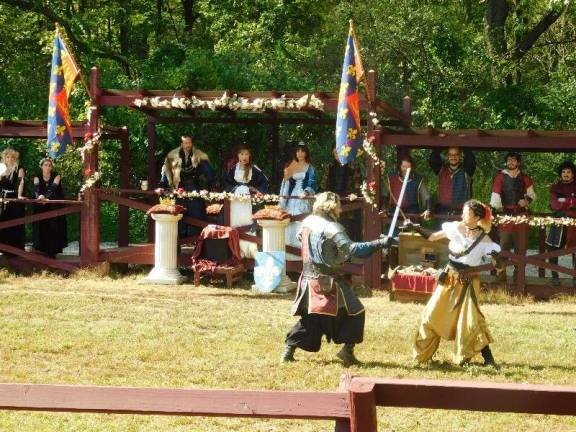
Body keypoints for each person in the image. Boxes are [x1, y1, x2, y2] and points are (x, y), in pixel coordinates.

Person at [281, 192, 395, 365]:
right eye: (339, 206)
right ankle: (346, 351)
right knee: (356, 310)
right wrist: (379, 243)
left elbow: (303, 240)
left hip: (308, 279)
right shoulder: (331, 228)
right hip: (328, 280)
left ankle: (288, 351)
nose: (341, 209)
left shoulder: (307, 222)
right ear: (331, 206)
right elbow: (352, 249)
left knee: (312, 318)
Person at [409, 199, 500, 367]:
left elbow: (497, 266)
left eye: (466, 213)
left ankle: (489, 359)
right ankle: (422, 356)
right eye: (464, 212)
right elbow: (433, 237)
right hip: (449, 278)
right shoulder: (455, 227)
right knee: (430, 314)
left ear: (476, 217)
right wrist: (416, 228)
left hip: (468, 283)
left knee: (470, 320)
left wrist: (498, 261)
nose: (462, 215)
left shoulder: (485, 240)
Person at [490, 152, 535, 281]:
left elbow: (531, 195)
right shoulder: (500, 177)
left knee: (520, 246)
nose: (510, 162)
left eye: (513, 160)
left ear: (518, 162)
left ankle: (518, 274)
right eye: (508, 160)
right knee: (503, 245)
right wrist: (496, 207)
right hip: (506, 215)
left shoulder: (525, 178)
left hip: (522, 215)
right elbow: (495, 196)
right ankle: (501, 273)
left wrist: (527, 201)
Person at [157, 135, 215, 237]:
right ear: (181, 144)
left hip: (193, 187)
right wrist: (162, 185)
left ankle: (196, 240)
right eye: (186, 143)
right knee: (177, 210)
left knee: (197, 210)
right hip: (179, 187)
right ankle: (177, 240)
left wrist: (206, 188)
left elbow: (210, 172)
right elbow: (166, 171)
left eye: (190, 143)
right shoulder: (173, 156)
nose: (188, 145)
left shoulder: (198, 155)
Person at [279, 143, 317, 258]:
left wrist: (306, 192)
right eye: (298, 151)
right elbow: (286, 183)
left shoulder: (310, 167)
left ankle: (302, 255)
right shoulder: (292, 165)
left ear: (306, 153)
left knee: (302, 221)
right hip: (292, 198)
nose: (300, 154)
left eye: (302, 151)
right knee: (290, 221)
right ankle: (289, 256)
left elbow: (312, 181)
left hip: (304, 198)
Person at [546, 161, 576, 285]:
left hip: (574, 222)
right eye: (563, 172)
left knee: (575, 250)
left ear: (573, 174)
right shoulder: (555, 187)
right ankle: (555, 277)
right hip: (558, 221)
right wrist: (571, 202)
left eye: (568, 172)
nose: (566, 174)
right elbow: (554, 204)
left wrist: (565, 201)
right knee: (552, 249)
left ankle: (575, 278)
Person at [31, 158, 68, 258]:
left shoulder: (56, 175)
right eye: (45, 165)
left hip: (54, 205)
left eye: (49, 165)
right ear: (41, 166)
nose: (47, 167)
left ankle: (52, 251)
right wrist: (39, 196)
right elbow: (36, 189)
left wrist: (46, 197)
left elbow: (53, 188)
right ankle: (41, 250)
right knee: (41, 225)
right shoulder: (37, 176)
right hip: (41, 204)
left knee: (54, 226)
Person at [429, 147, 476, 216]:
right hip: (443, 213)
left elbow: (470, 158)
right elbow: (433, 158)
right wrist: (442, 140)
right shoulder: (441, 169)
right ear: (448, 156)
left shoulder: (467, 170)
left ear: (460, 156)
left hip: (461, 213)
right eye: (451, 154)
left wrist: (462, 140)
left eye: (456, 154)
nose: (453, 157)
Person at [384, 154, 431, 219]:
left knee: (412, 229)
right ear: (400, 166)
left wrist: (427, 209)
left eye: (408, 167)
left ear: (412, 167)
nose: (406, 169)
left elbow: (426, 197)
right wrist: (384, 208)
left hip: (413, 215)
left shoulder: (418, 179)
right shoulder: (391, 178)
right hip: (394, 215)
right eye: (404, 166)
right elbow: (385, 196)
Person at [0, 148, 26, 253]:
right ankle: (3, 249)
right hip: (3, 198)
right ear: (4, 158)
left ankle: (15, 251)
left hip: (14, 198)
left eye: (12, 157)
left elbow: (21, 183)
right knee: (3, 222)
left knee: (15, 224)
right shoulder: (1, 168)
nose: (10, 159)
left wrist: (19, 195)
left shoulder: (19, 169)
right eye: (8, 157)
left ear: (15, 158)